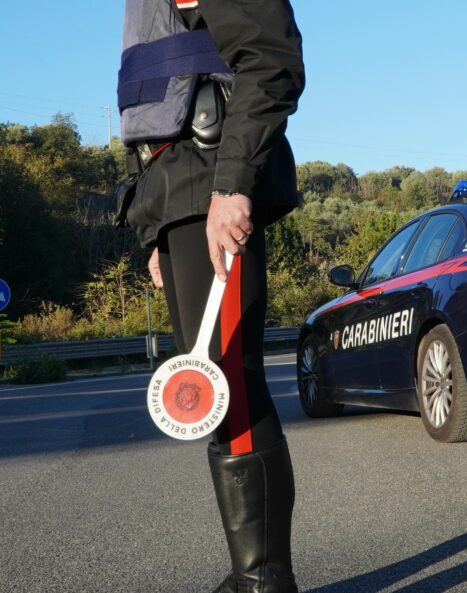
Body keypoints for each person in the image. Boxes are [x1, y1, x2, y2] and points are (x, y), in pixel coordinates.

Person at [117, 0, 305, 590]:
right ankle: (252, 574)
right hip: (179, 193)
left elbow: (270, 60)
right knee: (217, 391)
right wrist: (156, 230)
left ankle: (264, 581)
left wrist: (232, 184)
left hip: (210, 179)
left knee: (231, 383)